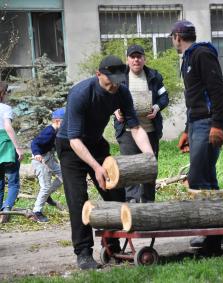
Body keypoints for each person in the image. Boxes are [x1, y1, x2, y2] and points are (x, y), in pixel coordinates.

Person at [55, 55, 154, 270]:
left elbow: (135, 128)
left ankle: (112, 246)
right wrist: (97, 168)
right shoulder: (81, 94)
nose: (115, 85)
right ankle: (83, 253)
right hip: (71, 146)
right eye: (110, 80)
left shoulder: (122, 92)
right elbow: (74, 139)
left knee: (115, 193)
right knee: (78, 200)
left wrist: (149, 154)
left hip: (96, 143)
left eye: (119, 80)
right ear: (99, 74)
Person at [170, 20, 223, 248]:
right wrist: (187, 129)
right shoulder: (187, 59)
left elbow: (218, 90)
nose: (173, 42)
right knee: (207, 175)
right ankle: (218, 231)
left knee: (198, 177)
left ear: (177, 37)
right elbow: (194, 98)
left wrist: (217, 124)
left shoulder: (201, 54)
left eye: (172, 38)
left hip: (208, 123)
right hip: (197, 123)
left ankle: (210, 234)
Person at [114, 44, 169, 203]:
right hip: (127, 131)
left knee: (149, 167)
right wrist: (115, 110)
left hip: (150, 130)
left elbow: (164, 97)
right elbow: (109, 97)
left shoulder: (154, 76)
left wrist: (157, 107)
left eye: (139, 57)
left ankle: (148, 202)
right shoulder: (120, 76)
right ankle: (131, 201)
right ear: (128, 60)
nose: (136, 60)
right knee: (130, 168)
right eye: (133, 57)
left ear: (144, 59)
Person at [30, 107, 65, 223]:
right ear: (57, 121)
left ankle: (47, 196)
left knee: (63, 176)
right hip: (40, 160)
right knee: (45, 186)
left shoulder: (56, 131)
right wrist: (36, 154)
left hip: (49, 157)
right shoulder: (49, 131)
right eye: (65, 122)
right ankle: (36, 211)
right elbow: (35, 142)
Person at [0, 81, 24, 224]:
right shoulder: (5, 108)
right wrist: (18, 148)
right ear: (3, 93)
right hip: (6, 146)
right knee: (14, 182)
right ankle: (6, 209)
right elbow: (8, 128)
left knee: (0, 183)